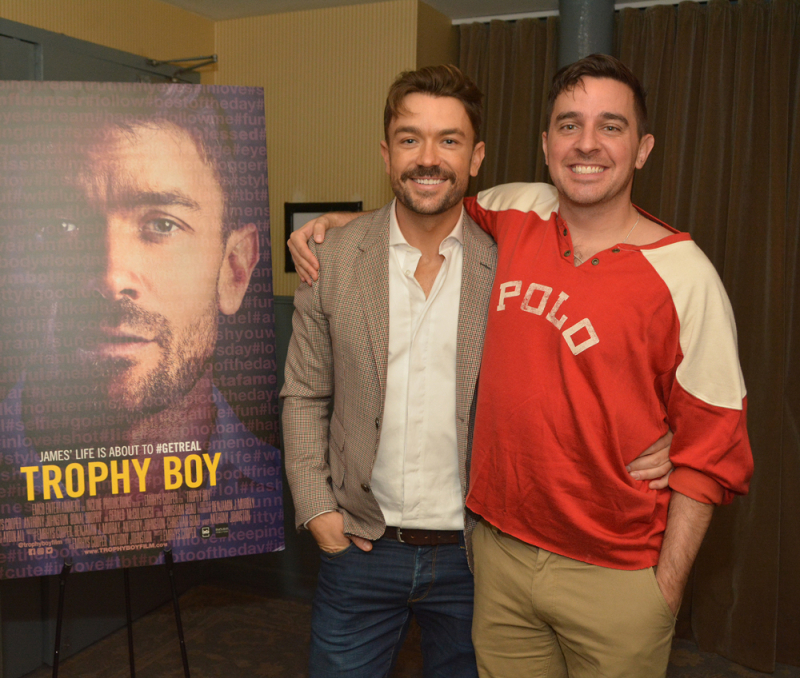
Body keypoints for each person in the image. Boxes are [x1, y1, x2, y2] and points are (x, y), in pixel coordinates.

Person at [289, 55, 753, 677]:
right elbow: (307, 392)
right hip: (429, 554)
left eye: (610, 126)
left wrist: (662, 585)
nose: (587, 144)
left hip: (533, 564)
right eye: (569, 125)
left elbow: (712, 442)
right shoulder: (499, 221)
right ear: (545, 144)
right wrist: (341, 230)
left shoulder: (662, 270)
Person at [0, 86, 282, 568]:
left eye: (163, 224)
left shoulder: (271, 488)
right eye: (65, 227)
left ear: (234, 268)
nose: (112, 278)